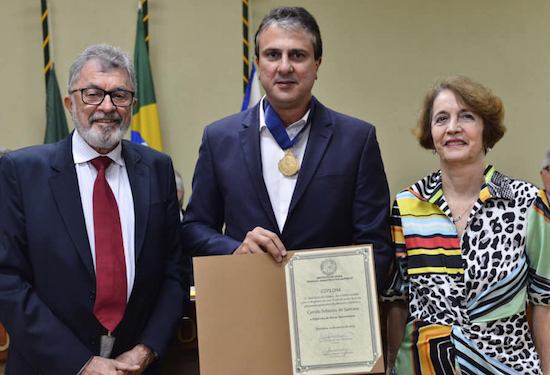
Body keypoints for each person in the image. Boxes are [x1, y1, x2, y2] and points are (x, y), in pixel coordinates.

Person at [0, 44, 189, 375]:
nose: (107, 106)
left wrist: (147, 349)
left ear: (132, 104)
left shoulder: (158, 169)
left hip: (136, 368)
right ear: (69, 102)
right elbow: (7, 279)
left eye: (120, 95)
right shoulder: (21, 172)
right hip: (47, 367)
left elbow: (174, 272)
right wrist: (79, 363)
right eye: (92, 94)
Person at [182, 6, 392, 291]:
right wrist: (234, 249)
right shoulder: (219, 139)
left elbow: (375, 244)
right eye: (272, 55)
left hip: (330, 310)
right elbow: (193, 229)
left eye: (297, 55)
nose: (284, 67)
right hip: (246, 303)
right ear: (257, 64)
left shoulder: (357, 139)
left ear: (317, 65)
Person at [382, 76, 550, 374]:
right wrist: (393, 366)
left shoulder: (528, 203)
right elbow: (397, 302)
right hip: (424, 367)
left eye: (467, 116)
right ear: (431, 134)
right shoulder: (407, 206)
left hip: (506, 367)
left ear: (486, 130)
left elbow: (544, 302)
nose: (453, 127)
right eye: (441, 118)